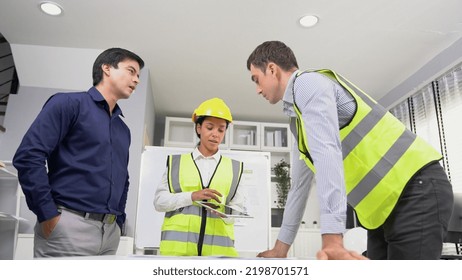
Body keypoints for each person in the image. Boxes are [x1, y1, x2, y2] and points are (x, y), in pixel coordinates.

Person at [246, 40, 454, 260]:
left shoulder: (307, 84)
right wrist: (280, 250)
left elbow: (328, 152)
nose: (258, 89)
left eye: (256, 80)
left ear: (271, 69)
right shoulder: (297, 121)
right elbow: (298, 186)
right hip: (383, 208)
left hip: (414, 189)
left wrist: (333, 239)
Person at [13, 47, 144, 257]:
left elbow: (123, 179)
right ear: (107, 68)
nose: (136, 79)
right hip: (67, 228)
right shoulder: (68, 104)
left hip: (109, 234)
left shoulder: (123, 129)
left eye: (138, 75)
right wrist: (47, 214)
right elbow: (29, 156)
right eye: (131, 71)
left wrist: (118, 221)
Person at [154, 97, 244, 257]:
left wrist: (226, 213)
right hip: (177, 257)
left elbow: (239, 209)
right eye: (210, 127)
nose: (215, 134)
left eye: (221, 130)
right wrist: (191, 197)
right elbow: (159, 202)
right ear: (198, 128)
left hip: (219, 258)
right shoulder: (176, 163)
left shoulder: (234, 168)